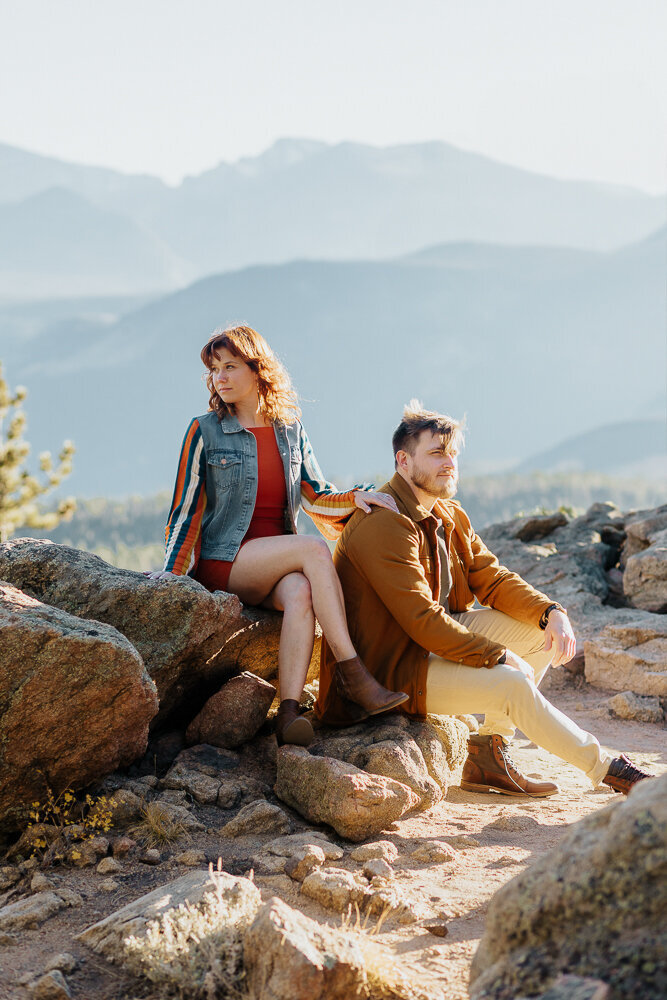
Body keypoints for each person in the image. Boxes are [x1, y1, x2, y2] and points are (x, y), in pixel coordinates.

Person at [314, 400, 653, 797]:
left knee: (537, 631)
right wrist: (498, 656)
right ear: (403, 461)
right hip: (390, 671)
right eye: (437, 453)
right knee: (511, 683)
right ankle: (609, 769)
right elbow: (422, 620)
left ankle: (489, 754)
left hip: (430, 644)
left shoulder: (449, 514)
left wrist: (550, 612)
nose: (449, 462)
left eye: (453, 453)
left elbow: (492, 578)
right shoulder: (384, 523)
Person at [152, 325, 408, 747]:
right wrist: (173, 575)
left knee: (301, 593)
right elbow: (186, 509)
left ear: (258, 370)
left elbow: (315, 495)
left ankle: (288, 713)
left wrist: (357, 498)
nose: (221, 378)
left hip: (273, 562)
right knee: (312, 548)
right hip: (225, 559)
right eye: (215, 370)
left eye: (231, 366)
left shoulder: (291, 429)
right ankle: (353, 674)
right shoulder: (205, 431)